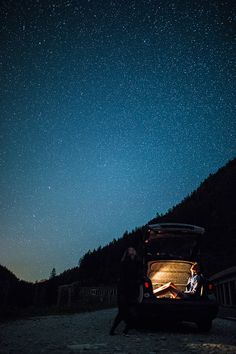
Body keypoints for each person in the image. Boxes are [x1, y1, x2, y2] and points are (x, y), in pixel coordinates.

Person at [109, 246, 143, 335]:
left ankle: (126, 330)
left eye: (133, 249)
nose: (132, 251)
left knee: (133, 311)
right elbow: (122, 277)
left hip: (133, 290)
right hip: (124, 290)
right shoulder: (125, 263)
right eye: (130, 250)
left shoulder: (138, 262)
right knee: (122, 312)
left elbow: (139, 275)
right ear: (127, 252)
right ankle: (113, 330)